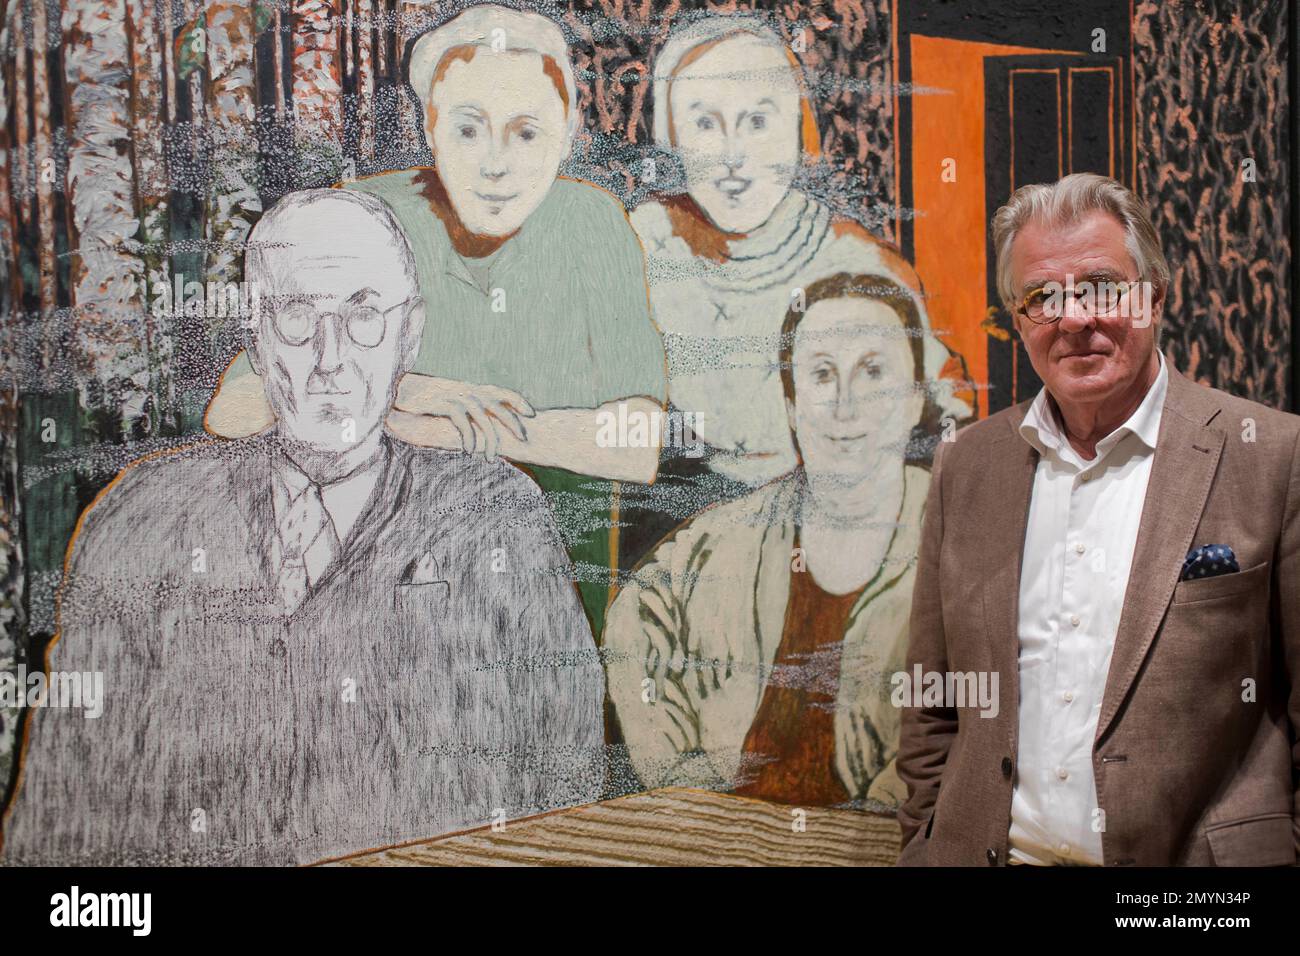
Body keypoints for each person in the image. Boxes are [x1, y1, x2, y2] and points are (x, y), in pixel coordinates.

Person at [0, 190, 605, 865]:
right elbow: (55, 835)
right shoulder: (138, 523)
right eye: (295, 317)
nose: (330, 357)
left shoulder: (498, 521)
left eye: (364, 315)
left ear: (410, 335)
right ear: (253, 340)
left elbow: (570, 809)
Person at [204, 3, 667, 637]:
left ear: (565, 129)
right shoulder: (369, 216)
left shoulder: (593, 224)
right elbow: (231, 409)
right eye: (469, 130)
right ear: (430, 124)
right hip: (374, 596)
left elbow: (638, 445)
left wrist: (442, 432)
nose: (495, 165)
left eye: (526, 133)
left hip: (550, 600)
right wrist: (414, 393)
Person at [897, 173, 1300, 866]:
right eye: (1042, 297)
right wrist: (926, 842)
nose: (1075, 317)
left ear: (1155, 297)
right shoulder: (967, 464)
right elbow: (932, 697)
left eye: (1103, 287)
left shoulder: (1273, 457)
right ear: (1018, 321)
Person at [621, 12, 971, 562]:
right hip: (677, 541)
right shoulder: (642, 243)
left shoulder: (854, 264)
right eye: (706, 124)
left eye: (758, 121)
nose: (734, 155)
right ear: (672, 134)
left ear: (797, 128)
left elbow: (947, 413)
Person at [604, 273, 943, 809]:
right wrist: (682, 780)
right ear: (791, 406)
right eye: (823, 375)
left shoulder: (957, 542)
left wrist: (887, 807)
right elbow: (634, 620)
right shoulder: (729, 536)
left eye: (873, 372)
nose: (845, 405)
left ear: (914, 399)